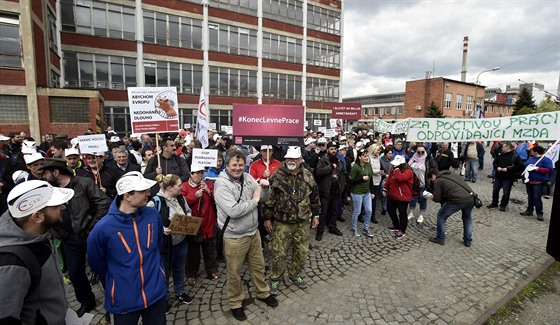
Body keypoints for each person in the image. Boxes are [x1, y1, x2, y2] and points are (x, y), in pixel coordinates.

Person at [87, 172, 168, 324]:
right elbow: (97, 263)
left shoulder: (152, 215)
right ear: (127, 195)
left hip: (155, 293)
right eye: (143, 191)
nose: (148, 193)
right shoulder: (102, 229)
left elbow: (158, 245)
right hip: (124, 299)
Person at [39, 158, 111, 317]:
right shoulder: (50, 190)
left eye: (45, 173)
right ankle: (87, 301)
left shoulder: (84, 183)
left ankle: (113, 299)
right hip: (69, 239)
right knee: (75, 272)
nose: (43, 177)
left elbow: (104, 203)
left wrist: (92, 227)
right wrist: (60, 233)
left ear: (56, 172)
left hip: (90, 236)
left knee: (102, 268)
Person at [214, 150, 278, 321]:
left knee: (258, 266)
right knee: (234, 272)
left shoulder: (248, 177)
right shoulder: (221, 185)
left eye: (240, 165)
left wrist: (265, 188)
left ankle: (262, 293)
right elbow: (233, 211)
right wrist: (255, 200)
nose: (237, 168)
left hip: (253, 232)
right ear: (227, 165)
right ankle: (235, 303)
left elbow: (264, 197)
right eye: (234, 165)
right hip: (234, 236)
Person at [0, 180, 74, 324]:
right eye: (56, 205)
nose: (63, 207)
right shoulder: (10, 262)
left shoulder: (41, 234)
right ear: (37, 217)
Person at [262, 147, 320, 295]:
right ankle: (275, 277)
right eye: (289, 158)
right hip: (282, 222)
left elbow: (314, 197)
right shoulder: (277, 176)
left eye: (294, 158)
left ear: (301, 160)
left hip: (302, 222)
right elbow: (269, 200)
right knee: (279, 253)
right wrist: (267, 218)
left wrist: (316, 215)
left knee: (301, 252)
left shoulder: (308, 176)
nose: (291, 161)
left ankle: (294, 275)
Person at [147, 173, 193, 310]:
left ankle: (180, 291)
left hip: (181, 241)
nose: (182, 188)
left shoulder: (180, 198)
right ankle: (164, 298)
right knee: (164, 272)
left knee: (179, 268)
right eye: (179, 185)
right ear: (170, 188)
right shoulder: (154, 202)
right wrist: (160, 229)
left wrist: (188, 220)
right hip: (165, 245)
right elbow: (147, 223)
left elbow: (188, 211)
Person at [182, 165, 220, 286]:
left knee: (209, 247)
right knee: (193, 250)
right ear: (191, 174)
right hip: (194, 223)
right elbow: (182, 202)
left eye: (201, 173)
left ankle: (212, 269)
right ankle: (191, 273)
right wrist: (194, 196)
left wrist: (208, 191)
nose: (199, 175)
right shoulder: (185, 186)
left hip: (208, 221)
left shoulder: (208, 184)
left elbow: (216, 198)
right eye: (196, 173)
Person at [427, 169, 474, 247]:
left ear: (433, 176)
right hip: (470, 198)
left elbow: (437, 198)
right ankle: (468, 240)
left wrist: (432, 197)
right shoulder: (451, 174)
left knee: (441, 216)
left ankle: (440, 238)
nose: (432, 181)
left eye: (431, 180)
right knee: (467, 218)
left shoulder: (438, 181)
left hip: (457, 200)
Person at [314, 141, 345, 241]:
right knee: (323, 211)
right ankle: (320, 230)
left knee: (335, 210)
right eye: (331, 149)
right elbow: (318, 172)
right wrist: (330, 167)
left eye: (335, 149)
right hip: (326, 190)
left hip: (336, 189)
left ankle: (332, 227)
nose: (333, 151)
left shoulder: (339, 160)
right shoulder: (323, 159)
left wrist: (342, 185)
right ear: (328, 150)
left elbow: (343, 173)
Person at [382, 155, 413, 239]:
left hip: (403, 197)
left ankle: (402, 230)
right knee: (390, 210)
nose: (394, 166)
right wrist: (385, 189)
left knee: (402, 214)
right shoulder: (394, 171)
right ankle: (396, 225)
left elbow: (400, 178)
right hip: (393, 195)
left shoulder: (408, 172)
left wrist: (396, 170)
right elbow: (389, 180)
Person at [487, 142, 524, 211]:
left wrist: (508, 169)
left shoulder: (515, 156)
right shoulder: (500, 154)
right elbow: (495, 162)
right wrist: (497, 167)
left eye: (503, 147)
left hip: (508, 177)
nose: (502, 148)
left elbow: (520, 167)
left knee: (506, 192)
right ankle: (494, 203)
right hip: (498, 176)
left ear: (507, 148)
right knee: (495, 190)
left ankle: (503, 205)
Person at [520, 145, 554, 221]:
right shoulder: (531, 159)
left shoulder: (546, 160)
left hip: (538, 182)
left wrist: (537, 169)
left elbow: (549, 170)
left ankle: (539, 213)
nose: (531, 152)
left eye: (532, 151)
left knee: (536, 197)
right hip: (529, 181)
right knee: (530, 197)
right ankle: (529, 210)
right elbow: (525, 166)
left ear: (536, 152)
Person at [348, 149, 375, 237]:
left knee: (369, 211)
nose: (366, 157)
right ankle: (354, 228)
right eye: (364, 156)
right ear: (359, 157)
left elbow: (370, 179)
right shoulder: (355, 167)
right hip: (357, 192)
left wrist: (372, 191)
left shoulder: (368, 165)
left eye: (367, 155)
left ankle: (366, 229)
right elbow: (350, 180)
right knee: (357, 211)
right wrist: (361, 179)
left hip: (367, 192)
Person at [407, 144, 429, 224]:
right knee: (413, 198)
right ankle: (411, 212)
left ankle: (421, 215)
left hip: (423, 183)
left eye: (422, 152)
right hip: (413, 183)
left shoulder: (427, 160)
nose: (420, 154)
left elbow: (431, 172)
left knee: (422, 199)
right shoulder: (413, 158)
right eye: (418, 152)